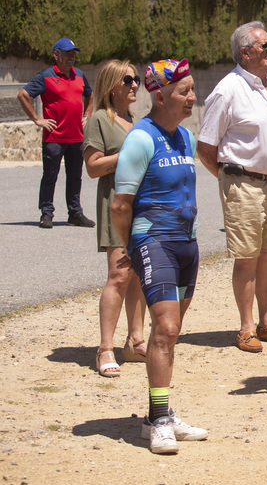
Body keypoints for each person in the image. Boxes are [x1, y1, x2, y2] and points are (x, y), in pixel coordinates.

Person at [111, 59, 207, 454]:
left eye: (192, 89)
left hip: (188, 244)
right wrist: (131, 247)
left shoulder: (186, 137)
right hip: (154, 241)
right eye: (185, 91)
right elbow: (120, 205)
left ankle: (158, 412)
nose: (192, 97)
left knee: (172, 331)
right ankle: (161, 421)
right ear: (161, 94)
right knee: (165, 329)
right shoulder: (140, 137)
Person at [197, 22, 267, 353]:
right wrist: (230, 178)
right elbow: (206, 146)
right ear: (246, 52)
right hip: (244, 185)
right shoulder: (228, 90)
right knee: (247, 258)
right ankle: (245, 327)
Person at [83, 60, 147, 377]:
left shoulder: (132, 120)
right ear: (111, 85)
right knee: (119, 274)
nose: (134, 83)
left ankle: (135, 341)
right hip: (115, 203)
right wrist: (126, 157)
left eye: (136, 78)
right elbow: (93, 167)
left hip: (141, 205)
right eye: (127, 79)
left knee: (138, 273)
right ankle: (105, 348)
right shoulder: (99, 120)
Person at [18, 37, 95, 229]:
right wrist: (37, 119)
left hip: (76, 136)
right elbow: (23, 95)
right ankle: (46, 213)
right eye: (67, 52)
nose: (71, 56)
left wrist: (86, 116)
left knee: (75, 176)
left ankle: (75, 213)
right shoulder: (45, 76)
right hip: (54, 137)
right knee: (50, 175)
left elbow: (90, 94)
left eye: (73, 53)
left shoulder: (79, 74)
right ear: (56, 54)